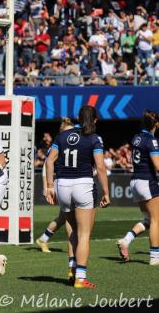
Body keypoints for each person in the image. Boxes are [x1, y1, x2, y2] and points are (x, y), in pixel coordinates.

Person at [45, 106, 111, 288]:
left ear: (78, 118)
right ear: (95, 120)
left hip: (62, 186)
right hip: (83, 184)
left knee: (73, 231)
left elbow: (49, 160)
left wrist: (50, 186)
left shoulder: (63, 135)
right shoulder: (95, 138)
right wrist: (106, 192)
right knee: (84, 234)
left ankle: (72, 269)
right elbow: (100, 167)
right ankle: (81, 278)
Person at [117, 110, 159, 265]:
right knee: (156, 220)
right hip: (146, 181)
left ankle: (126, 240)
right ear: (156, 124)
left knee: (148, 219)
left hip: (135, 181)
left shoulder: (136, 137)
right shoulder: (151, 140)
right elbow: (157, 165)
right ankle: (155, 257)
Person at [36, 118, 75, 253]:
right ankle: (74, 246)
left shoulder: (73, 144)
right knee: (70, 216)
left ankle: (43, 239)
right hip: (62, 183)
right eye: (68, 131)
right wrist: (47, 187)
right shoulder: (57, 145)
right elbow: (46, 166)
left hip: (68, 183)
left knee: (64, 217)